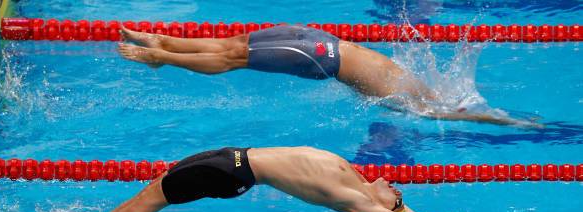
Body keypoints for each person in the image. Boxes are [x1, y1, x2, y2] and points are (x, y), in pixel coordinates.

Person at [50, 146, 447, 212]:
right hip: (231, 157)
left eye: (396, 197)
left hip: (232, 173)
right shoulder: (359, 182)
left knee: (149, 202)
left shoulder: (355, 201)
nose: (397, 189)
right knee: (150, 192)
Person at [117, 25, 538, 127]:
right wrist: (501, 121)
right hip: (322, 58)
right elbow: (450, 115)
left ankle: (159, 40)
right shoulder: (422, 102)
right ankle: (161, 56)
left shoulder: (410, 79)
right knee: (232, 58)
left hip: (318, 37)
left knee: (232, 43)